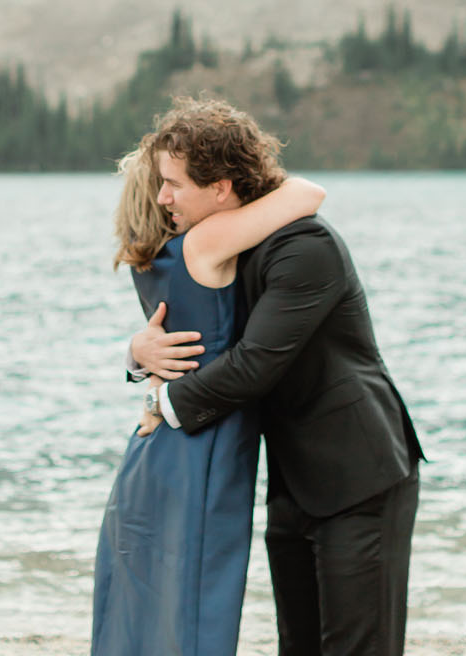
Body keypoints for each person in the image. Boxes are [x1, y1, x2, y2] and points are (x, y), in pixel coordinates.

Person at [131, 98, 423, 656]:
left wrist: (163, 407)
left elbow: (255, 364)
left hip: (361, 475)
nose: (162, 197)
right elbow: (201, 339)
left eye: (173, 184)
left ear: (220, 187)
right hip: (292, 480)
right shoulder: (228, 249)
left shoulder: (304, 247)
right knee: (299, 647)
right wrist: (136, 353)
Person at [92, 125, 327, 656]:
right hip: (204, 439)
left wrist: (134, 353)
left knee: (143, 594)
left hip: (153, 442)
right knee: (199, 597)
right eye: (163, 183)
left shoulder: (151, 259)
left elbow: (159, 343)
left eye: (172, 183)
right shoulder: (204, 242)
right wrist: (241, 171)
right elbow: (309, 194)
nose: (166, 195)